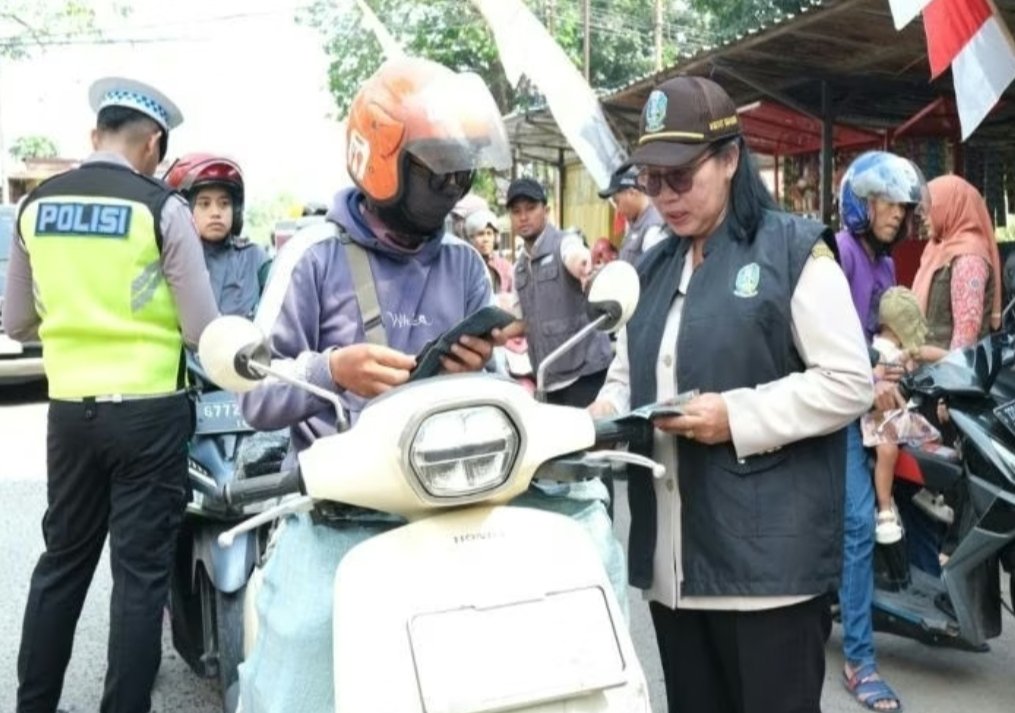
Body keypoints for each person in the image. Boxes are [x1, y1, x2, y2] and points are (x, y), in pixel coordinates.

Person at [235, 57, 625, 713]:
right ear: (382, 160)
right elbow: (256, 396)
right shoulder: (313, 256)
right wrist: (333, 369)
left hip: (461, 494)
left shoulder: (464, 263)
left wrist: (478, 369)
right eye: (435, 167)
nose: (452, 184)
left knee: (588, 541)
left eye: (460, 166)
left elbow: (496, 392)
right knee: (299, 648)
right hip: (344, 511)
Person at [588, 75, 873, 713]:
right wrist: (594, 420)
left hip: (764, 575)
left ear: (730, 158)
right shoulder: (652, 269)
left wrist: (736, 416)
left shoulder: (791, 250)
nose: (665, 197)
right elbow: (627, 379)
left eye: (681, 177)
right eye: (652, 181)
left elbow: (850, 380)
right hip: (676, 575)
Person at [4, 77, 219, 713]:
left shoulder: (35, 207)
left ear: (94, 136)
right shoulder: (161, 208)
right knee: (138, 577)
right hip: (150, 414)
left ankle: (33, 704)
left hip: (71, 415)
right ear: (151, 144)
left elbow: (17, 323)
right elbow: (203, 329)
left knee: (62, 565)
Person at [834, 149, 929, 712]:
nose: (897, 213)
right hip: (841, 406)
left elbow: (877, 334)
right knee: (857, 523)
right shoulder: (840, 253)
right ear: (861, 203)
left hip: (877, 403)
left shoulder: (889, 266)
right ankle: (859, 659)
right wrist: (868, 373)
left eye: (902, 205)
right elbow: (834, 339)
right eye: (887, 202)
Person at [508, 176, 612, 407]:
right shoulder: (519, 269)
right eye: (516, 211)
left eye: (531, 208)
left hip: (585, 375)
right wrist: (492, 335)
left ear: (546, 210)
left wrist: (583, 264)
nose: (523, 217)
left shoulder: (564, 242)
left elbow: (575, 255)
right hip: (548, 380)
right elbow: (521, 323)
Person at [862, 287, 943, 544]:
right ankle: (885, 509)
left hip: (899, 415)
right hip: (880, 418)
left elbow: (923, 352)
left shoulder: (900, 348)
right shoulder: (879, 350)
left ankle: (924, 490)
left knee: (932, 439)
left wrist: (955, 357)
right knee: (888, 451)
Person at [165, 153, 270, 318]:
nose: (215, 213)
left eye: (224, 204)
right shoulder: (171, 259)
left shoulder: (255, 259)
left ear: (235, 210)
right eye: (204, 204)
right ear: (185, 210)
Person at [912, 174, 1003, 351]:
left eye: (927, 208)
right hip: (929, 373)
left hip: (951, 376)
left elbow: (963, 349)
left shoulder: (969, 258)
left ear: (950, 206)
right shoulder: (937, 249)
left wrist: (921, 354)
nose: (922, 216)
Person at [598, 165, 665, 263]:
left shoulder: (653, 229)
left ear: (632, 192)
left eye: (617, 201)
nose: (618, 210)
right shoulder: (634, 223)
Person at [464, 207, 513, 296]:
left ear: (495, 238)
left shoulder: (506, 267)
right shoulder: (465, 268)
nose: (485, 239)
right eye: (480, 234)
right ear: (471, 238)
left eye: (489, 233)